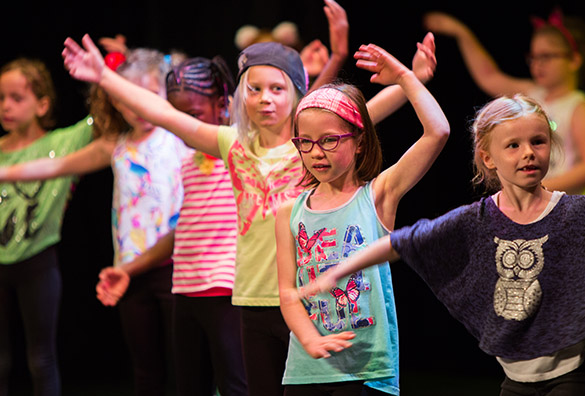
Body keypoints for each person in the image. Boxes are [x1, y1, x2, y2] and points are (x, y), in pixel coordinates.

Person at [62, 25, 437, 394]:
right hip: (250, 297)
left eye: (276, 89)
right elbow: (165, 115)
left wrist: (412, 79)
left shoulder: (307, 144)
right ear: (240, 95)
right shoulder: (232, 144)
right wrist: (104, 79)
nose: (264, 99)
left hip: (306, 300)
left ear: (297, 93)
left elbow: (363, 113)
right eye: (254, 89)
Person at [302, 94, 585, 395]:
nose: (528, 153)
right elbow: (404, 241)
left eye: (538, 142)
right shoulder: (477, 221)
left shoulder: (579, 213)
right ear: (488, 158)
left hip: (571, 376)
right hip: (515, 380)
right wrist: (340, 270)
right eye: (513, 145)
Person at [0, 49, 188, 396]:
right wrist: (6, 171)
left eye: (149, 97)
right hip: (128, 271)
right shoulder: (114, 146)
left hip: (178, 267)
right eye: (129, 99)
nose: (140, 108)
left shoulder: (180, 137)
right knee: (146, 370)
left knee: (187, 366)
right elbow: (55, 166)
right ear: (117, 102)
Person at [275, 41, 449, 396]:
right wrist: (310, 340)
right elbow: (288, 292)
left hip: (366, 370)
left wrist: (404, 76)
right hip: (306, 372)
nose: (315, 152)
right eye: (304, 142)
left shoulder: (378, 195)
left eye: (329, 140)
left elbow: (438, 132)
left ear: (359, 143)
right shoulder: (288, 212)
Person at [95, 55, 248, 396]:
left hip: (221, 288)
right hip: (184, 287)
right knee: (185, 384)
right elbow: (184, 229)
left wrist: (104, 75)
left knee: (234, 383)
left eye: (191, 117)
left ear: (223, 105)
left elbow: (289, 115)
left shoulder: (237, 147)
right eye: (179, 116)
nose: (183, 125)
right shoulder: (189, 161)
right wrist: (130, 268)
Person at [424, 7, 585, 195]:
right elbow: (488, 76)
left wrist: (541, 188)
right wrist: (461, 32)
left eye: (546, 56)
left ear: (574, 60)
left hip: (565, 209)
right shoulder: (531, 93)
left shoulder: (579, 108)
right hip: (533, 205)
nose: (537, 64)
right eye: (533, 57)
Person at [0, 58, 94, 396]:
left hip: (38, 262)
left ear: (42, 104)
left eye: (16, 97)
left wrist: (110, 72)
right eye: (1, 98)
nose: (6, 106)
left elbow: (103, 119)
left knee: (41, 358)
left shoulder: (66, 142)